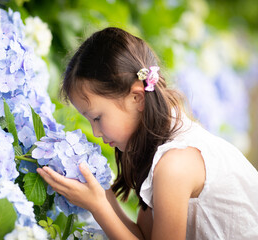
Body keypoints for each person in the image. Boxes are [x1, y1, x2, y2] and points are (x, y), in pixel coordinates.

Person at [36, 27, 258, 239]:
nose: (95, 131)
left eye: (97, 118)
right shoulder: (163, 139)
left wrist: (97, 206)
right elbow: (144, 236)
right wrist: (103, 197)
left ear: (138, 99)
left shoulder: (174, 164)